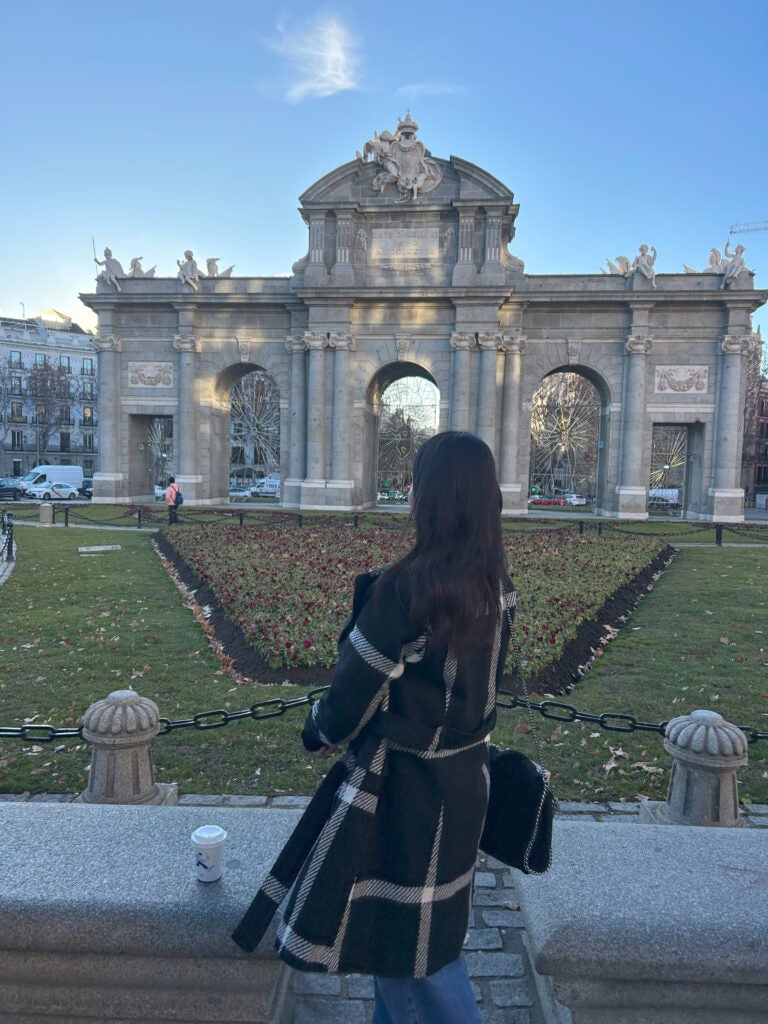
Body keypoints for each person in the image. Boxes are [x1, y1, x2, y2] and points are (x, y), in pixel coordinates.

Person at [232, 431, 516, 1024]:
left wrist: (316, 731)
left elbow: (347, 701)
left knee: (417, 957)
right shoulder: (497, 583)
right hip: (463, 783)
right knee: (411, 943)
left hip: (402, 793)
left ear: (426, 497)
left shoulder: (406, 589)